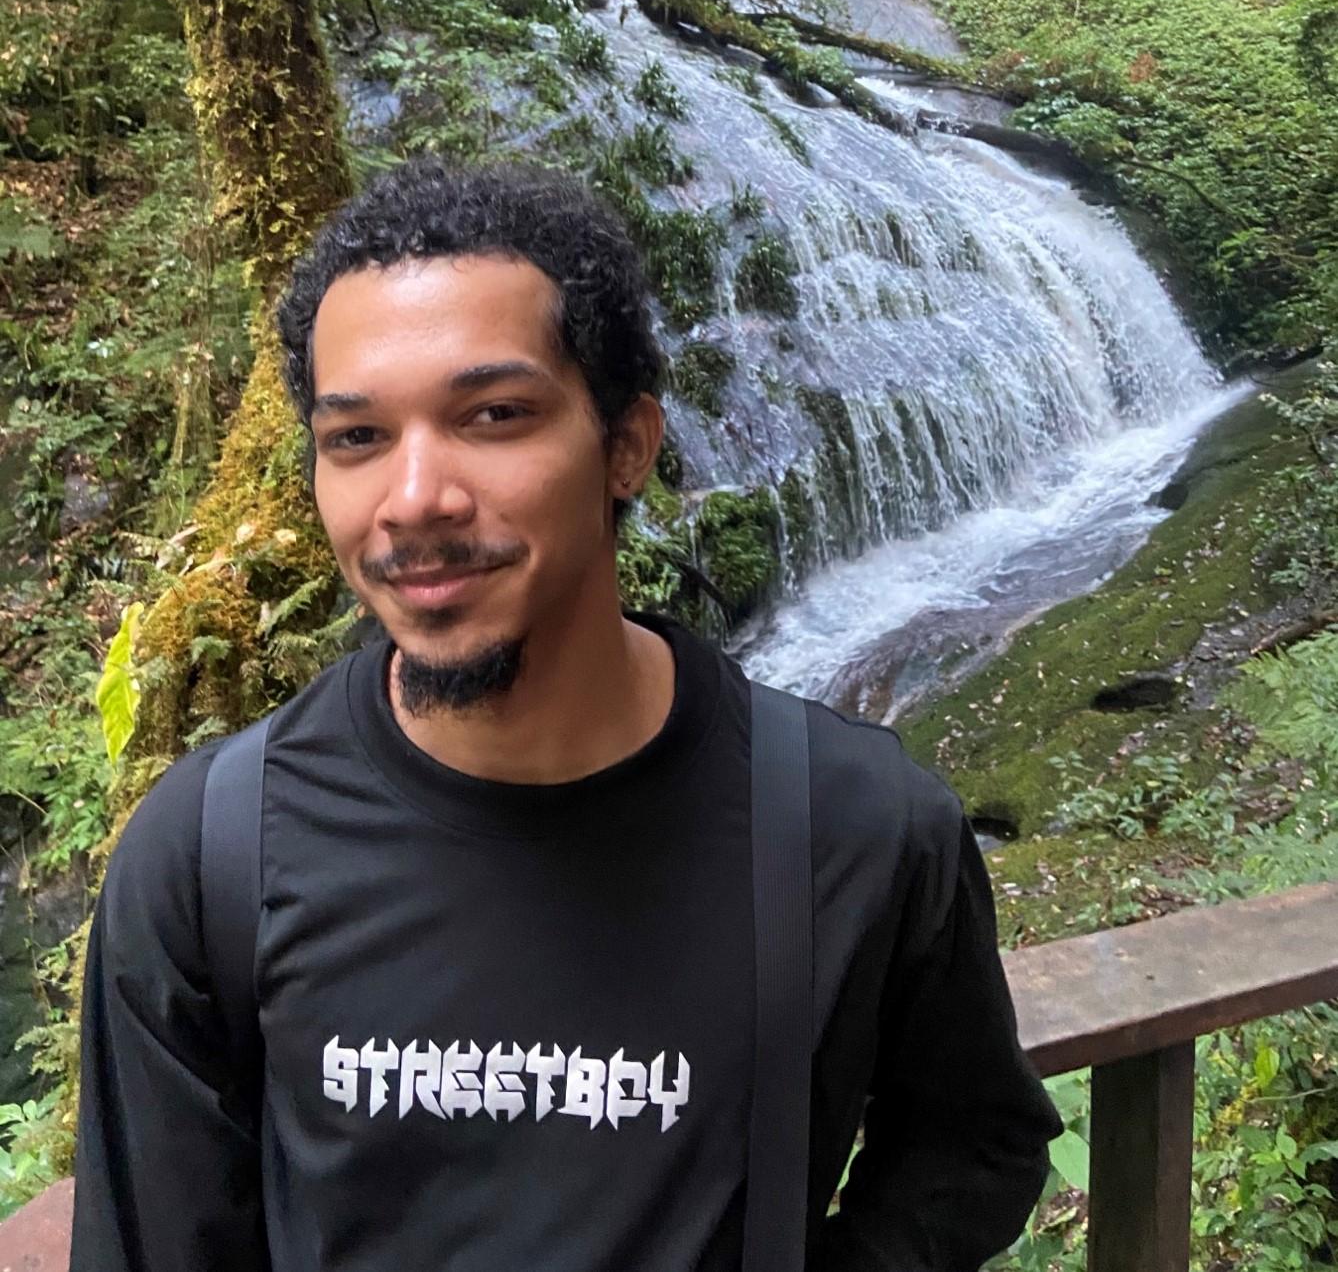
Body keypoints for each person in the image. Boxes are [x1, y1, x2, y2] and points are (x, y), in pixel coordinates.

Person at [71, 161, 1060, 1271]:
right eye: (356, 439)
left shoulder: (859, 828)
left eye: (494, 416)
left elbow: (975, 1144)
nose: (414, 500)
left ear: (628, 445)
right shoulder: (207, 856)